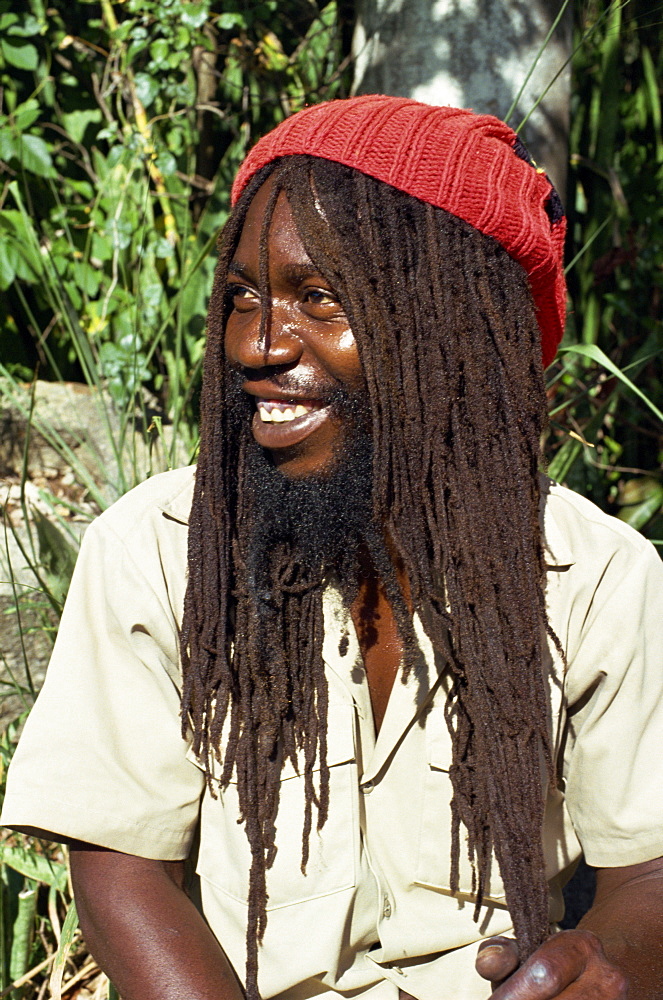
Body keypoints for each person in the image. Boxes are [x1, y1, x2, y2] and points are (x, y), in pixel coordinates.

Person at [2, 95, 663, 1000]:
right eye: (242, 298)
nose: (259, 344)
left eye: (320, 298)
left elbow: (649, 875)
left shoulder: (596, 576)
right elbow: (122, 865)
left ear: (456, 329)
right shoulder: (154, 553)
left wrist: (607, 963)